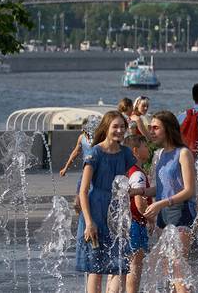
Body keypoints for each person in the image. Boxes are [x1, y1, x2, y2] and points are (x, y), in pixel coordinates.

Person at [75, 111, 137, 293]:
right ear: (106, 128)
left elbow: (130, 179)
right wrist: (88, 222)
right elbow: (83, 191)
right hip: (95, 211)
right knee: (96, 268)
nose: (119, 130)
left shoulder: (125, 153)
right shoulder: (95, 153)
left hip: (116, 212)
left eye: (122, 127)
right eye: (115, 126)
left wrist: (142, 191)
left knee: (119, 264)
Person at [138, 111, 196, 293]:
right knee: (168, 270)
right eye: (150, 128)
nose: (151, 132)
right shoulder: (160, 154)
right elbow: (160, 188)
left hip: (181, 214)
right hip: (163, 216)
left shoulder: (183, 153)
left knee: (178, 268)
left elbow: (189, 190)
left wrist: (160, 204)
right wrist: (138, 191)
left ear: (168, 129)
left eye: (156, 128)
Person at [123, 134, 152, 293]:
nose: (148, 149)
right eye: (145, 146)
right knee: (135, 265)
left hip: (129, 222)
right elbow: (140, 203)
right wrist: (152, 218)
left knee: (129, 264)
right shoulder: (138, 173)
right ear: (135, 151)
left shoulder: (128, 170)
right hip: (136, 223)